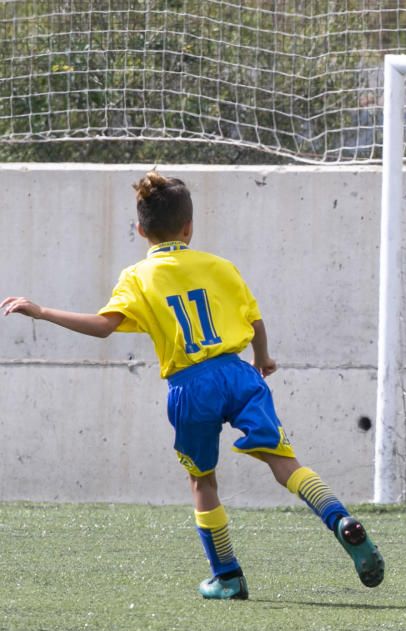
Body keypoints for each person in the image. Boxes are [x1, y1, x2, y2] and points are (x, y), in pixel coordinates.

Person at [1, 171, 384, 600]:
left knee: (202, 480)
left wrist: (42, 311)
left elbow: (103, 327)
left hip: (190, 386)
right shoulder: (220, 266)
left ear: (140, 229)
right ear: (189, 227)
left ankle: (228, 576)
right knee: (285, 462)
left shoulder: (137, 277)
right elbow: (255, 320)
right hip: (238, 373)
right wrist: (263, 360)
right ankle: (340, 520)